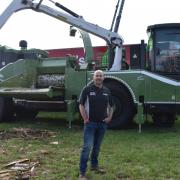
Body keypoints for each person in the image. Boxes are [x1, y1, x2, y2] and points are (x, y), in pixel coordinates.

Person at [79, 70, 114, 180]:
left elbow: (112, 106)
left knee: (97, 147)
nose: (98, 77)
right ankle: (82, 173)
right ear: (93, 77)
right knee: (87, 147)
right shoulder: (87, 89)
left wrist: (109, 117)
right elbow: (81, 105)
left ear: (103, 78)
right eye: (97, 75)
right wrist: (85, 118)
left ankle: (94, 166)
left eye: (100, 76)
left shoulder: (107, 91)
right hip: (90, 124)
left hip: (102, 124)